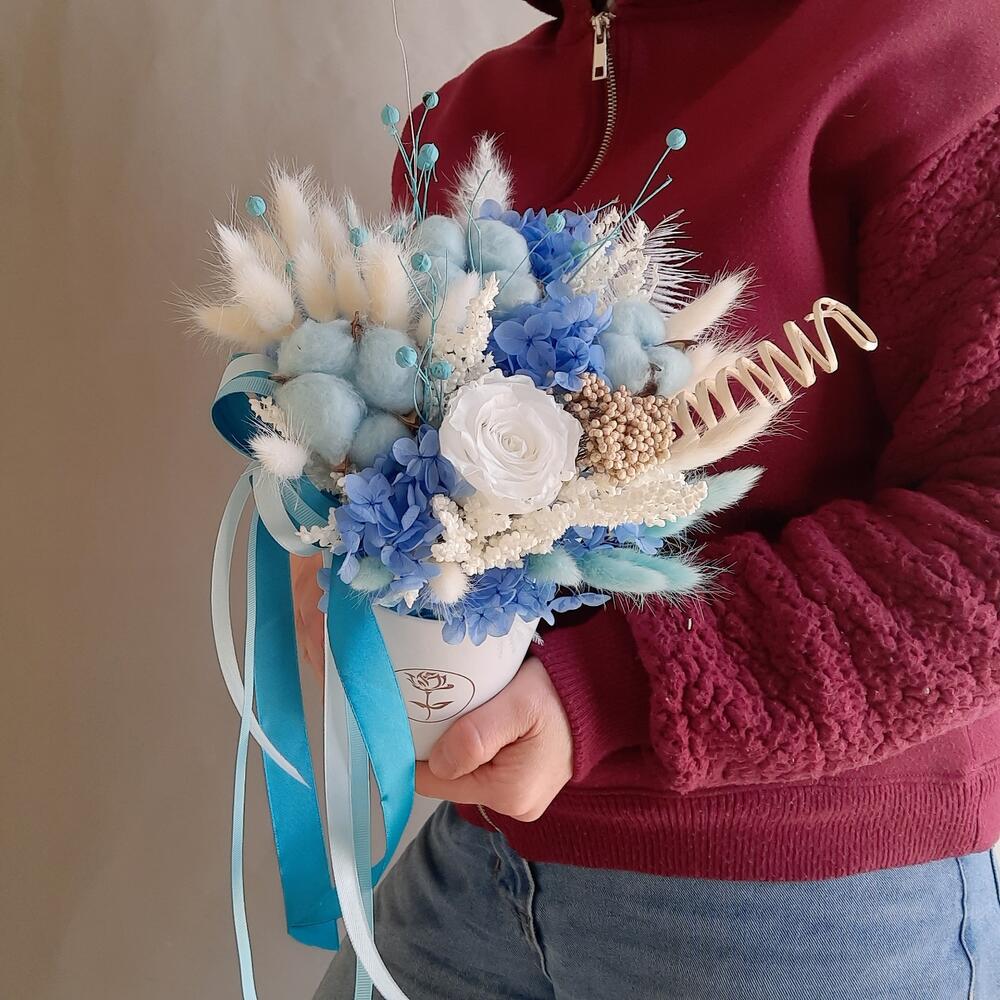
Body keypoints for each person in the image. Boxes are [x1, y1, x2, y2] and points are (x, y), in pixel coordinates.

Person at [303, 1, 1000, 996]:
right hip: (484, 857)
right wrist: (360, 575)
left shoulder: (931, 50)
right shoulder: (463, 119)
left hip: (809, 894)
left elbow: (984, 540)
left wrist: (605, 688)